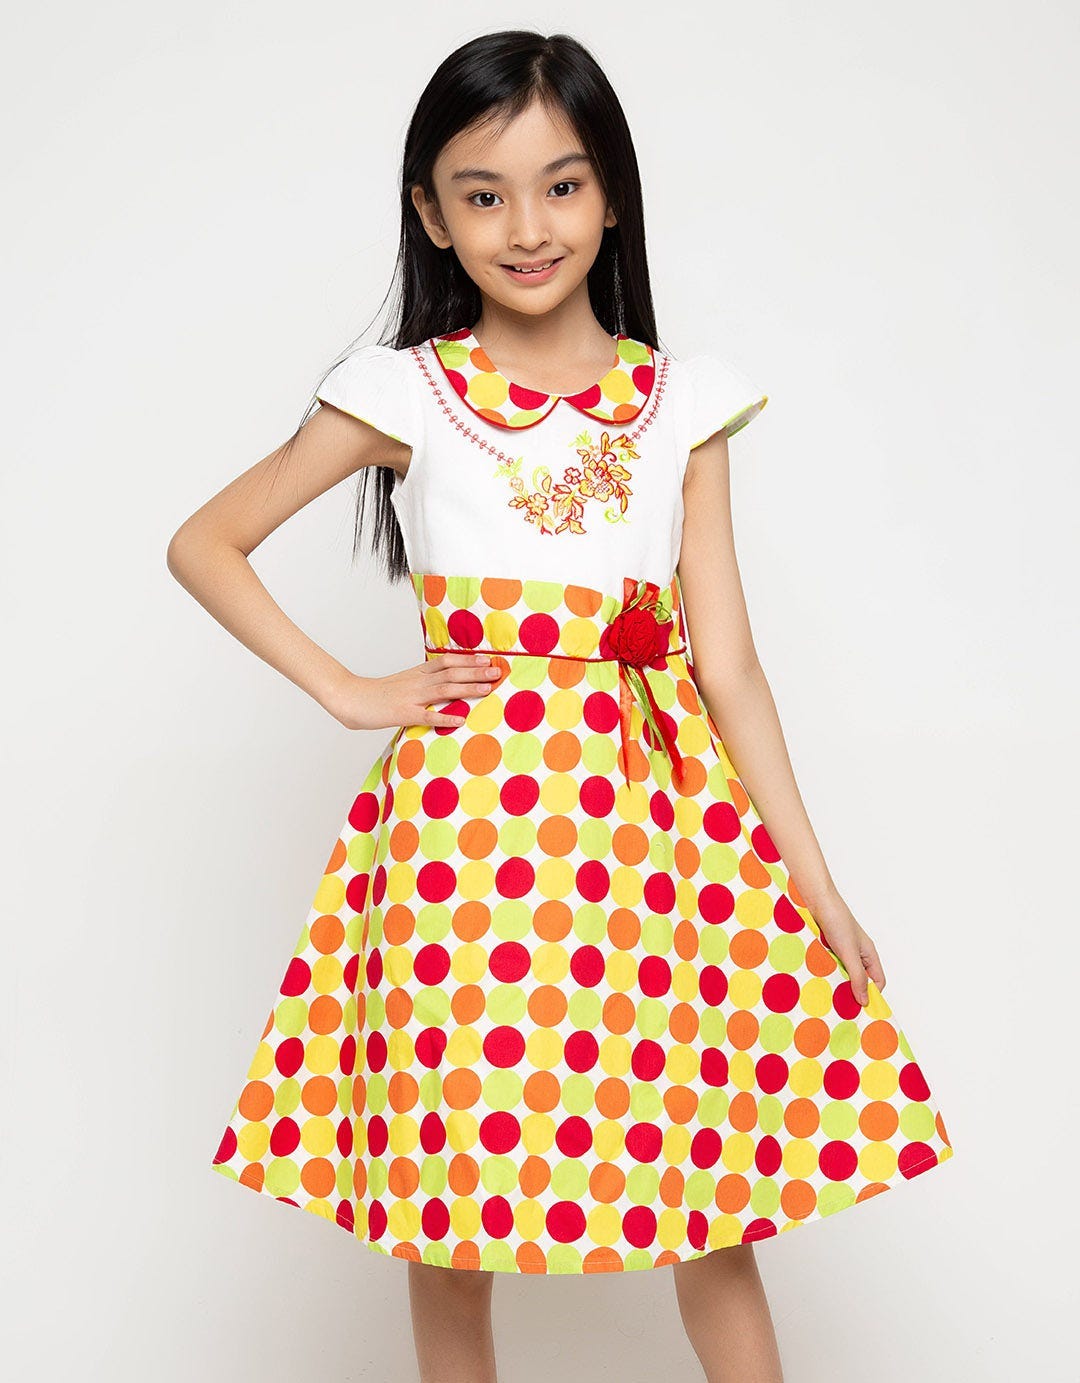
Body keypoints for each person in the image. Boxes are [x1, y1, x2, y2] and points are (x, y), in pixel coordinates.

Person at [168, 29, 955, 1383]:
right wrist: (353, 692)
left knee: (711, 1197)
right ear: (432, 214)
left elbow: (730, 665)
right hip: (470, 849)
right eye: (483, 194)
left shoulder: (682, 404)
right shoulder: (409, 392)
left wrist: (815, 883)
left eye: (562, 186)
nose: (526, 228)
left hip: (656, 841)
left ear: (612, 197)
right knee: (449, 1208)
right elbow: (206, 543)